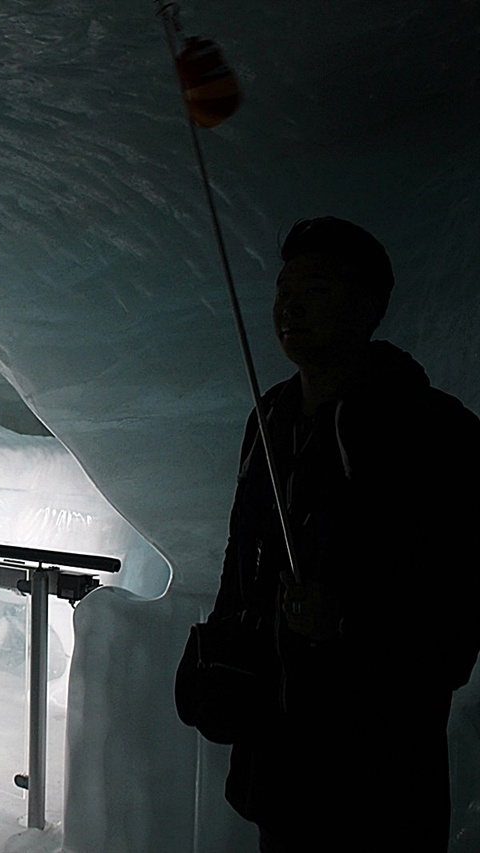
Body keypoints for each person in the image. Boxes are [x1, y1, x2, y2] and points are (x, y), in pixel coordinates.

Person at [177, 217, 480, 851]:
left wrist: (347, 621)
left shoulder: (434, 432)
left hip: (379, 776)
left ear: (367, 307)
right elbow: (243, 562)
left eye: (315, 289)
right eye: (285, 293)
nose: (290, 307)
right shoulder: (271, 418)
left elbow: (458, 617)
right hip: (280, 763)